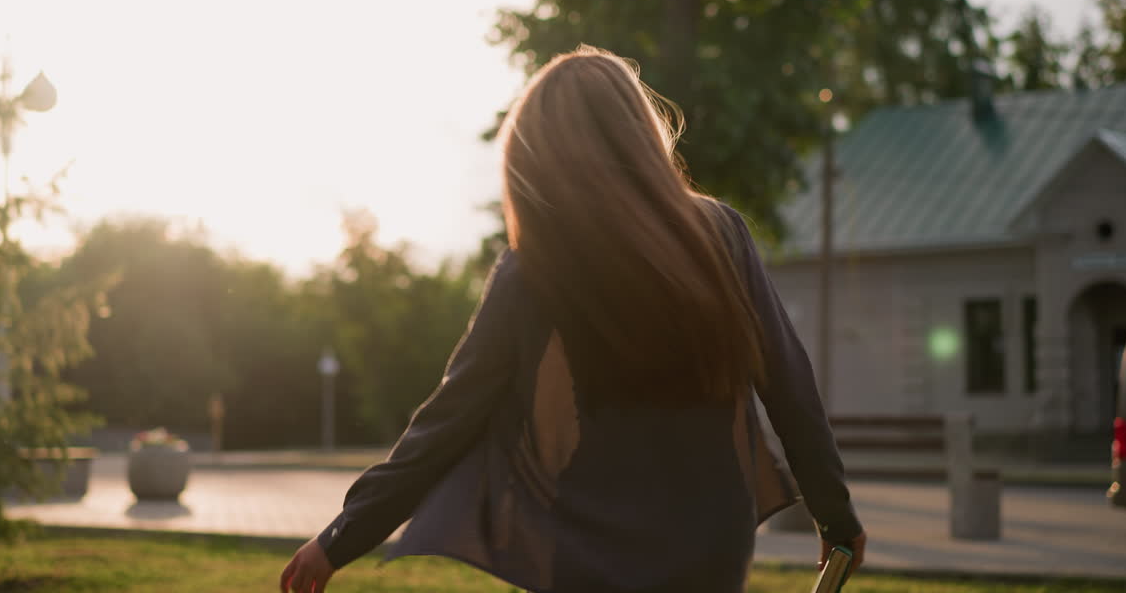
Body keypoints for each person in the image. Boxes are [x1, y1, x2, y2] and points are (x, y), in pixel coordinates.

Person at [280, 46, 865, 593]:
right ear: (638, 133)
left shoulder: (536, 267)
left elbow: (449, 421)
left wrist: (340, 538)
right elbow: (790, 387)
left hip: (589, 547)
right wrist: (835, 517)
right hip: (709, 545)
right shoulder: (719, 235)